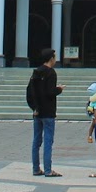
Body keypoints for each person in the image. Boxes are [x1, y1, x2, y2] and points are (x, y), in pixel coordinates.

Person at [26, 48, 64, 177]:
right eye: (54, 57)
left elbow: (29, 92)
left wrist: (34, 108)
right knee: (48, 141)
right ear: (51, 59)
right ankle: (48, 170)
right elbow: (49, 92)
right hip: (48, 112)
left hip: (37, 112)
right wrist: (59, 89)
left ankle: (36, 168)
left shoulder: (36, 72)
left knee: (36, 141)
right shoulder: (51, 73)